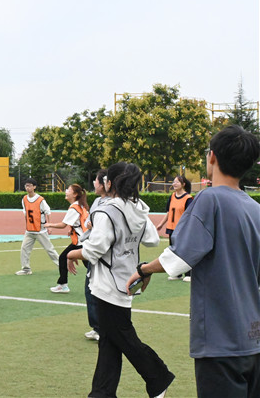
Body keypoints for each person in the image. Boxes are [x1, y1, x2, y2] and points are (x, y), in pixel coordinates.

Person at [126, 125, 260, 398]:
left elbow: (179, 256)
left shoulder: (209, 199)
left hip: (221, 340)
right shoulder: (255, 209)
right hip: (253, 339)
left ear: (212, 157)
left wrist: (144, 269)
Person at [68, 162, 174, 398]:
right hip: (127, 279)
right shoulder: (136, 207)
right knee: (109, 342)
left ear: (109, 182)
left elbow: (94, 249)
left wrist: (70, 254)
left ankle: (159, 378)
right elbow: (152, 240)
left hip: (107, 284)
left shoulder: (107, 210)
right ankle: (101, 393)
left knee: (123, 338)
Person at [79, 169, 108, 341]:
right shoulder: (97, 201)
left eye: (96, 181)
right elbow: (90, 223)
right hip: (92, 248)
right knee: (90, 289)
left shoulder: (114, 203)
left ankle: (104, 328)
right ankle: (97, 327)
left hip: (104, 253)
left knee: (103, 291)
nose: (94, 185)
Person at [45, 184, 89, 294]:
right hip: (84, 240)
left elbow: (63, 225)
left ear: (75, 194)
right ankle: (63, 284)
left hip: (81, 241)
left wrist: (49, 225)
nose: (66, 192)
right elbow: (80, 223)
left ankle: (63, 285)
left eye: (68, 190)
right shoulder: (81, 206)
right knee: (89, 264)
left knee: (64, 258)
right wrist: (72, 229)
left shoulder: (74, 208)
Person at [15, 178, 59, 275]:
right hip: (29, 230)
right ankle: (26, 269)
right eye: (26, 185)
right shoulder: (24, 199)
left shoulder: (40, 200)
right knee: (24, 249)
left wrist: (49, 226)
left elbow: (48, 212)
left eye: (30, 185)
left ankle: (62, 266)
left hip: (40, 230)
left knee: (50, 250)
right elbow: (25, 213)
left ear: (34, 187)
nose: (28, 187)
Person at [155, 175, 193, 282]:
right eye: (174, 182)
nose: (174, 184)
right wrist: (161, 224)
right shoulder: (172, 196)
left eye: (177, 182)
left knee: (184, 251)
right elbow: (168, 212)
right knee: (173, 252)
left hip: (182, 230)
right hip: (172, 228)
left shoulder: (188, 199)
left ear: (183, 184)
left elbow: (189, 215)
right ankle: (177, 273)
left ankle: (189, 274)